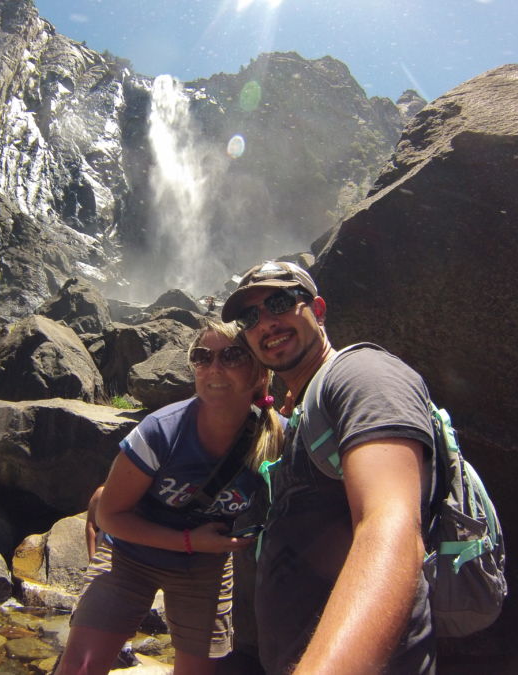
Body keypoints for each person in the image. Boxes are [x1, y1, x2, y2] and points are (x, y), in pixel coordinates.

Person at [221, 260, 436, 675]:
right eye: (250, 317)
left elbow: (390, 528)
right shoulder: (298, 413)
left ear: (318, 310)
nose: (266, 322)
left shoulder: (362, 376)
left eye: (280, 302)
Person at [55, 320, 283, 675]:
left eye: (232, 356)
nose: (214, 367)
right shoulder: (161, 431)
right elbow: (110, 517)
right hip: (130, 555)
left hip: (203, 568)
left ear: (259, 375)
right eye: (202, 357)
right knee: (79, 668)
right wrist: (190, 541)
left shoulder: (276, 438)